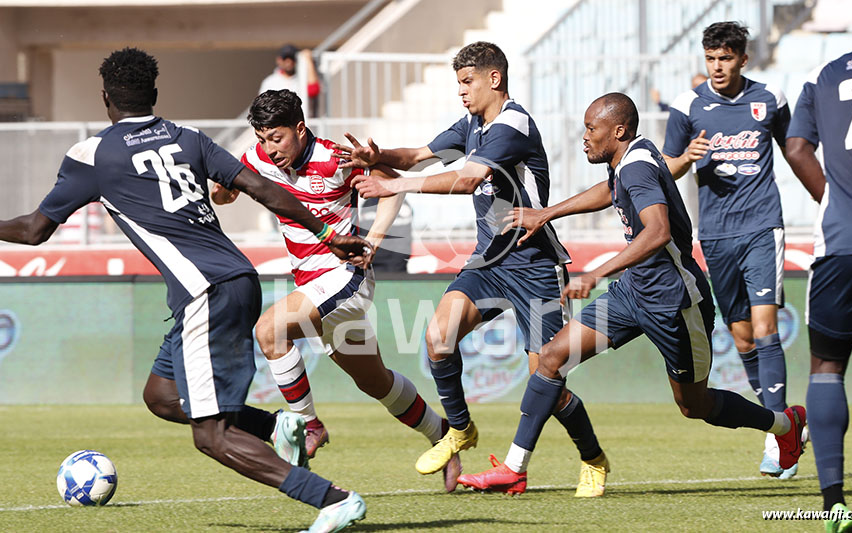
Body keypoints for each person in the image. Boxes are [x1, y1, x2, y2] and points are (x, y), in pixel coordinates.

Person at [0, 48, 369, 533]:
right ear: (153, 95)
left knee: (211, 436)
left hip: (206, 295)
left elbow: (33, 230)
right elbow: (263, 189)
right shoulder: (188, 137)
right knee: (161, 395)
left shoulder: (91, 155)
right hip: (236, 280)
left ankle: (332, 498)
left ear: (105, 98)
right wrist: (328, 235)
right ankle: (277, 426)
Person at [456, 92, 807, 496]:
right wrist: (548, 213)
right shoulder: (630, 158)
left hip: (676, 304)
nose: (584, 137)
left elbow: (657, 232)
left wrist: (596, 273)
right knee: (552, 357)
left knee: (695, 406)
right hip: (631, 295)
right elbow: (610, 191)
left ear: (618, 130)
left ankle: (785, 425)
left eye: (592, 128)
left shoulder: (637, 167)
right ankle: (515, 469)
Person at [336, 41, 603, 497]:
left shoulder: (512, 125)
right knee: (438, 338)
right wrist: (378, 159)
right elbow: (417, 155)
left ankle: (593, 458)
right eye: (457, 83)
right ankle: (460, 429)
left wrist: (396, 184)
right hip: (488, 262)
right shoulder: (473, 124)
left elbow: (467, 179)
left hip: (534, 263)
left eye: (467, 82)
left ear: (493, 79)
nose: (460, 91)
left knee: (549, 385)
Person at [211, 89, 458, 491]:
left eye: (277, 138)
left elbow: (391, 185)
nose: (269, 149)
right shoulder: (257, 158)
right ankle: (444, 436)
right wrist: (221, 191)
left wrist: (375, 238)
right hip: (313, 288)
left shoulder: (334, 158)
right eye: (262, 139)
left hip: (346, 278)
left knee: (269, 330)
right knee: (375, 382)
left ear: (300, 129)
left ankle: (309, 426)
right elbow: (225, 193)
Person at [661, 21, 798, 478]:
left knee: (764, 327)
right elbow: (666, 171)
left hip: (762, 226)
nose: (717, 67)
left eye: (725, 58)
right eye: (711, 59)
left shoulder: (769, 99)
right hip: (716, 235)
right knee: (741, 337)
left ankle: (778, 444)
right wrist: (687, 158)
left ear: (743, 59)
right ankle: (785, 425)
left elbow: (795, 148)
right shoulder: (688, 107)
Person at [786, 2, 852, 531]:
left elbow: (798, 147)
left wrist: (834, 200)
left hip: (845, 241)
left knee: (827, 366)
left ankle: (835, 505)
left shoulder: (825, 74)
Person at [259, 44, 321, 112]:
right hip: (278, 120)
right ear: (279, 60)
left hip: (299, 119)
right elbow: (263, 106)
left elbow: (313, 91)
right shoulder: (270, 82)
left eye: (292, 58)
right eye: (285, 58)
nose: (289, 62)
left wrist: (309, 61)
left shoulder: (302, 78)